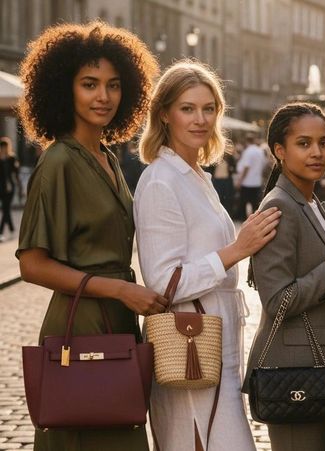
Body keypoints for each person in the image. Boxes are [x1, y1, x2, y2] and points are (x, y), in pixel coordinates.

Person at [16, 21, 164, 451]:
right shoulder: (58, 161)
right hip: (78, 323)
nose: (104, 97)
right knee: (84, 429)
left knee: (118, 427)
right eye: (89, 84)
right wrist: (118, 289)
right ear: (65, 88)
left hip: (117, 318)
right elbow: (31, 264)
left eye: (114, 85)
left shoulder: (108, 158)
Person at [134, 60, 280, 451]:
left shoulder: (198, 176)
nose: (200, 119)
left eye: (208, 108)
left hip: (218, 342)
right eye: (187, 108)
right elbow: (164, 281)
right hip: (189, 345)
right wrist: (236, 250)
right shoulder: (160, 181)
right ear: (164, 113)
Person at [244, 102, 325, 451]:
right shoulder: (279, 207)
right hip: (294, 371)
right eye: (303, 143)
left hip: (321, 365)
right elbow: (277, 301)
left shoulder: (309, 202)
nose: (317, 152)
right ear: (280, 151)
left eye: (323, 142)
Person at [235, 133, 268, 219]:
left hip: (247, 182)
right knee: (255, 203)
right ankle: (256, 219)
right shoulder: (260, 151)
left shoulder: (248, 151)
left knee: (244, 202)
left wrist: (240, 180)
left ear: (246, 141)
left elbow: (246, 167)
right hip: (257, 181)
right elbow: (264, 164)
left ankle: (243, 218)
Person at [0, 137, 21, 240]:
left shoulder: (12, 158)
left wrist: (20, 187)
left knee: (6, 209)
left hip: (10, 188)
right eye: (2, 147)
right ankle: (12, 229)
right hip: (1, 188)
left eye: (5, 147)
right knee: (6, 209)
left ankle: (1, 232)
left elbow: (16, 173)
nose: (3, 149)